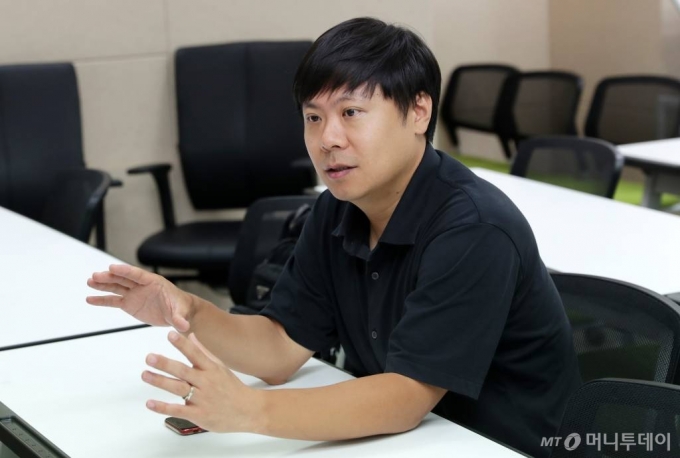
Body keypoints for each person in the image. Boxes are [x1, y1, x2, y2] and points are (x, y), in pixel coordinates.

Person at [87, 17, 581, 457]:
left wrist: (250, 411)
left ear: (418, 112)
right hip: (407, 439)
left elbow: (406, 397)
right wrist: (189, 310)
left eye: (351, 113)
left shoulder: (472, 228)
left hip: (496, 444)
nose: (328, 139)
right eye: (313, 117)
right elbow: (280, 348)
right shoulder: (336, 210)